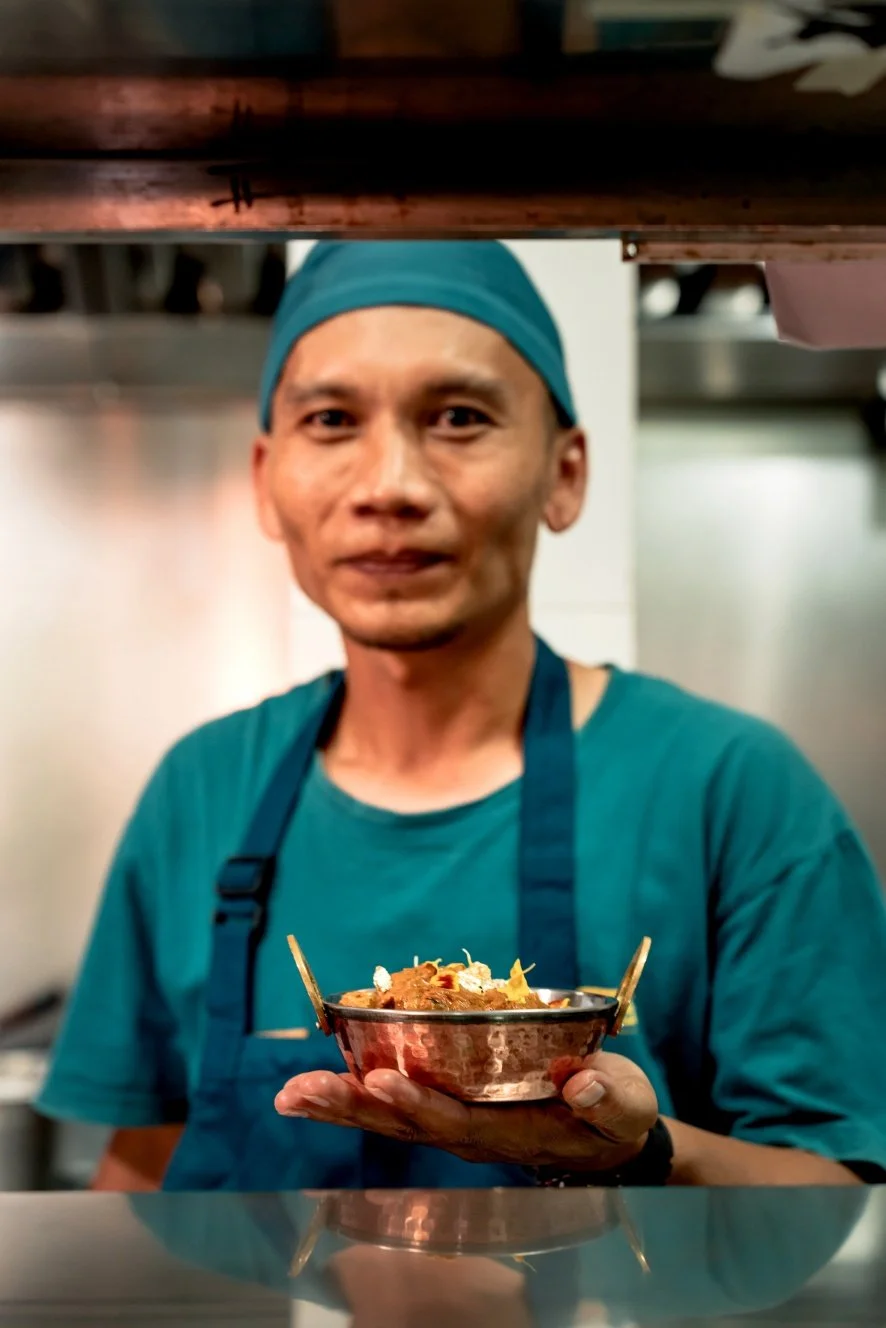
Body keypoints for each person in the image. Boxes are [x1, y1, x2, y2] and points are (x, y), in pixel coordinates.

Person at [37, 240, 886, 1191]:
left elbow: (843, 1207)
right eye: (331, 419)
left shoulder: (733, 790)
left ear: (565, 474)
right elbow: (144, 1173)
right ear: (268, 479)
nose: (389, 484)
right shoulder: (202, 787)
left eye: (458, 416)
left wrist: (646, 1151)